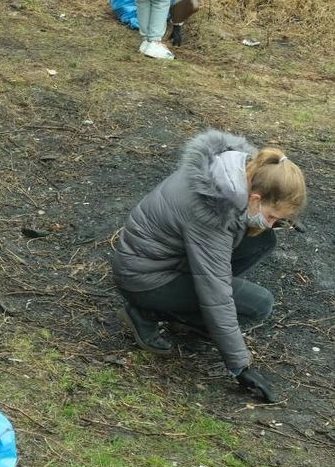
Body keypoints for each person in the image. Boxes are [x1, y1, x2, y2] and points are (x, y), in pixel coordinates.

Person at [111, 129, 306, 403]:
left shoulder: (232, 172)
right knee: (259, 305)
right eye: (272, 216)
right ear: (256, 198)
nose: (271, 222)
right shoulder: (211, 213)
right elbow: (216, 293)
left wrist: (274, 220)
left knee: (262, 240)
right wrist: (240, 366)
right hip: (144, 277)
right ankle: (146, 312)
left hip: (155, 260)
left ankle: (185, 316)